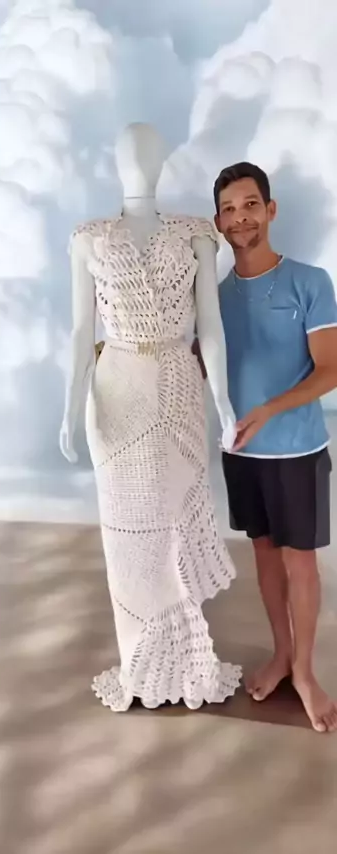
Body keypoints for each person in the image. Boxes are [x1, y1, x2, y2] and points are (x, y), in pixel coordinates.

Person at [60, 123, 242, 712]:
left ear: (163, 161)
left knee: (173, 525)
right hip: (115, 391)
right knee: (126, 533)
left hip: (177, 385)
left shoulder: (195, 234)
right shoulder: (89, 238)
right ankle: (140, 660)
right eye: (127, 150)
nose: (139, 160)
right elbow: (80, 331)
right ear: (114, 161)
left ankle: (184, 662)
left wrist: (225, 402)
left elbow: (210, 327)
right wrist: (69, 406)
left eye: (148, 150)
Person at [212, 161, 337, 732]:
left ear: (270, 209)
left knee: (299, 561)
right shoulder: (214, 299)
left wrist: (270, 409)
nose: (240, 217)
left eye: (250, 205)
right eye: (229, 209)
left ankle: (306, 673)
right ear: (219, 222)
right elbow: (205, 365)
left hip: (296, 450)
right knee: (264, 555)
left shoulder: (310, 282)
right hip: (241, 454)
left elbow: (330, 369)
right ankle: (282, 655)